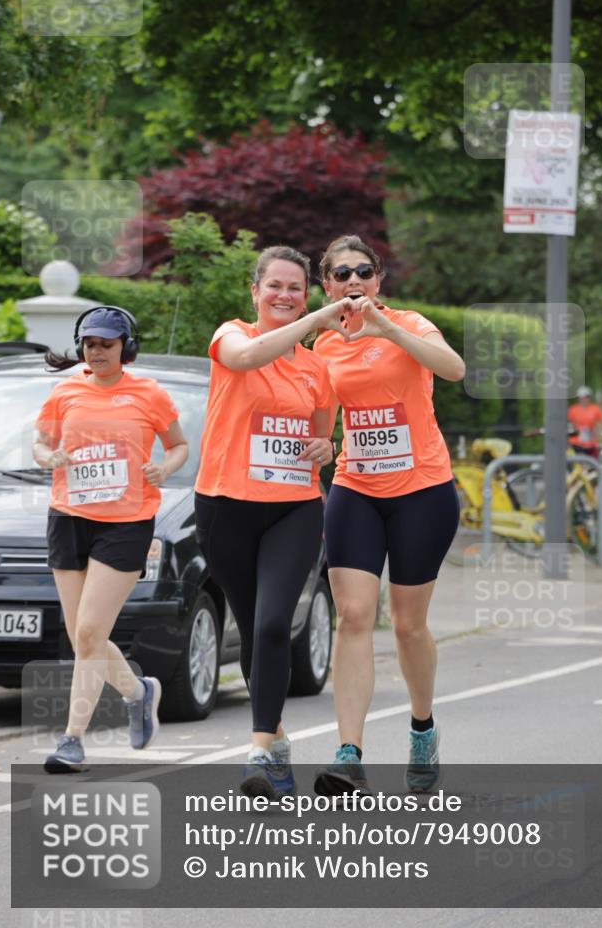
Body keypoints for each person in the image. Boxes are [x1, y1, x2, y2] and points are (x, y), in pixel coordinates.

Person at [194, 245, 352, 798]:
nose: (285, 296)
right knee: (253, 627)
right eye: (276, 286)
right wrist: (315, 321)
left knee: (270, 626)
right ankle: (280, 746)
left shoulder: (316, 368)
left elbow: (324, 435)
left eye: (296, 288)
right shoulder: (230, 334)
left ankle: (259, 751)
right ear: (255, 291)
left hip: (294, 508)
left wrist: (322, 448)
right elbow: (245, 359)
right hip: (225, 507)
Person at [312, 235, 465, 795]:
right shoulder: (323, 344)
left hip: (422, 490)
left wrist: (387, 329)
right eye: (341, 274)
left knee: (406, 623)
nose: (354, 282)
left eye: (364, 272)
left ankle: (422, 727)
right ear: (326, 285)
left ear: (378, 280)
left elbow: (453, 369)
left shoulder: (410, 323)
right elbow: (323, 416)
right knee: (353, 616)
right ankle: (349, 752)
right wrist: (321, 444)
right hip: (356, 487)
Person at [34, 307, 188, 773]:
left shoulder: (148, 393)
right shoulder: (66, 392)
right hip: (68, 516)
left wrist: (164, 467)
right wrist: (50, 457)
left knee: (87, 633)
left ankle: (71, 739)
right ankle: (138, 692)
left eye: (106, 343)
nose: (96, 351)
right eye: (89, 344)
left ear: (126, 347)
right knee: (86, 633)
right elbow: (40, 444)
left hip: (126, 522)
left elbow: (179, 445)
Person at [567, 386, 602, 460]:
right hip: (576, 442)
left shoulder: (595, 409)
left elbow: (599, 425)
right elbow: (570, 425)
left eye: (587, 397)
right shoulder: (573, 410)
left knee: (592, 464)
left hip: (591, 442)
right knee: (578, 462)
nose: (584, 399)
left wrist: (598, 435)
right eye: (582, 397)